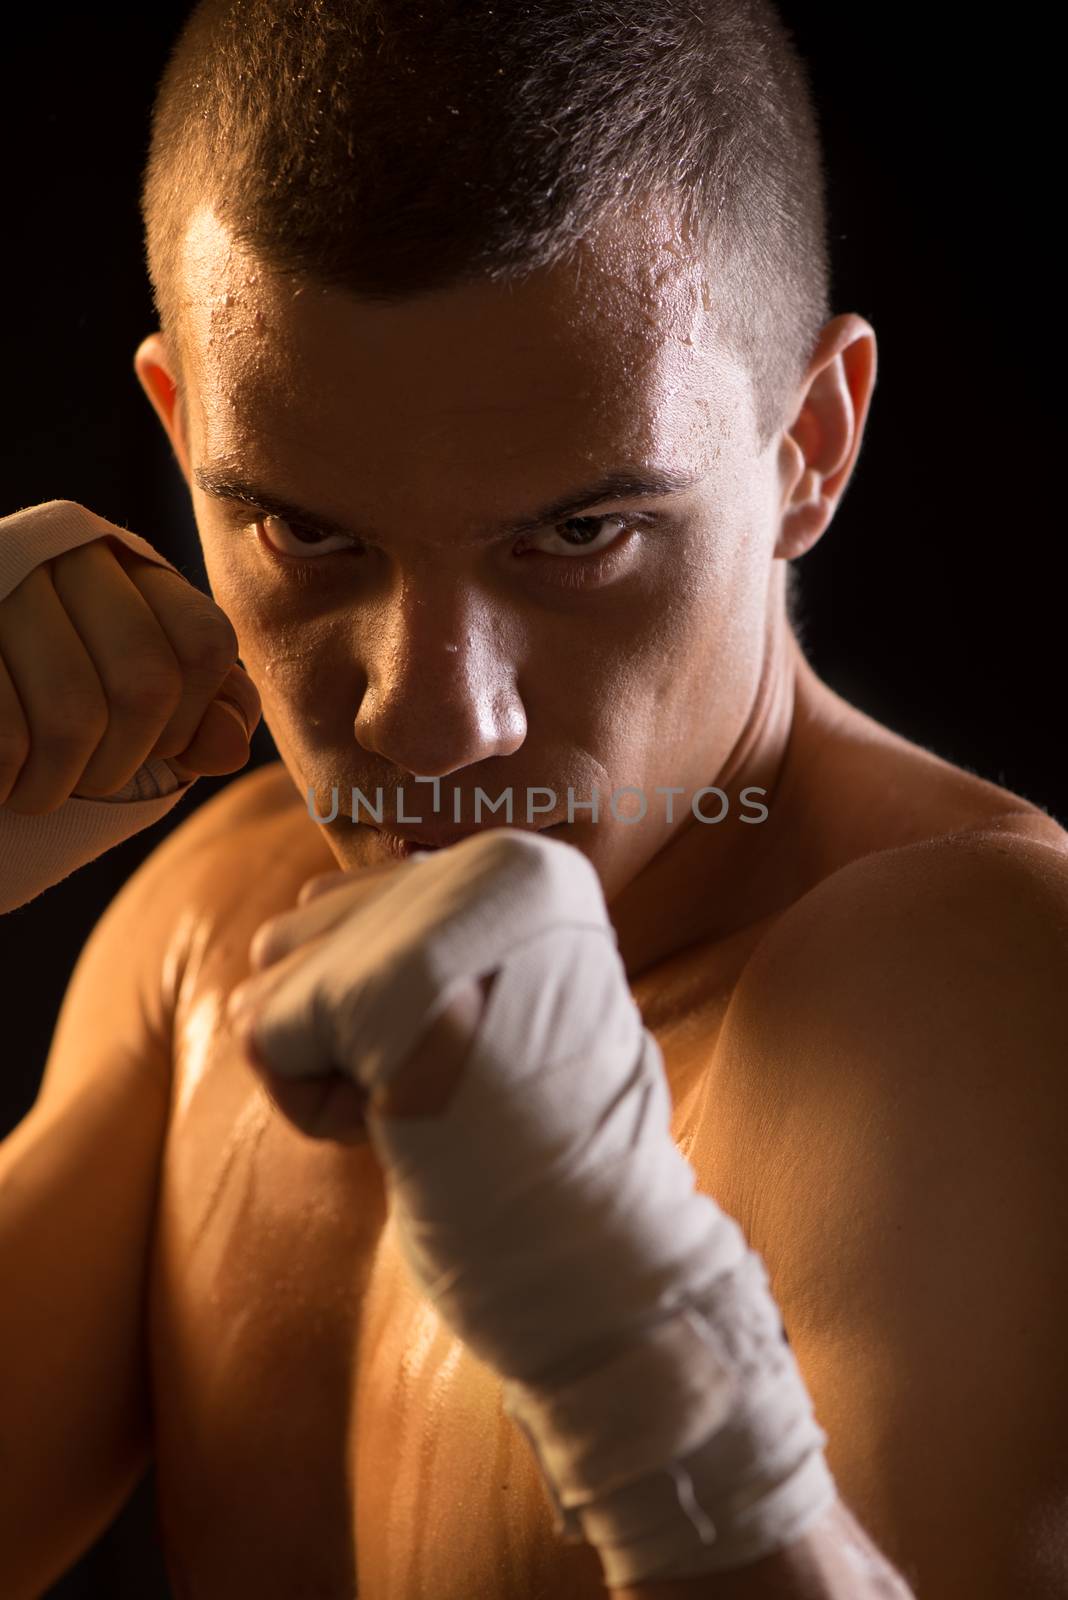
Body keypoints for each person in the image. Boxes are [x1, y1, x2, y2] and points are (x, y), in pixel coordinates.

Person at [2, 2, 1066, 1596]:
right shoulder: (212, 938)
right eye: (307, 536)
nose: (431, 718)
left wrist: (648, 1368)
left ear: (810, 449)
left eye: (577, 538)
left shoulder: (977, 987)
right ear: (182, 432)